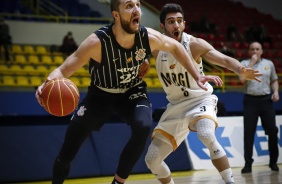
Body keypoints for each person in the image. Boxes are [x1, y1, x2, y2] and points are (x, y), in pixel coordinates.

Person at [35, 1, 222, 184]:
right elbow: (63, 70)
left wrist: (197, 75)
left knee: (142, 126)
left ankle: (118, 181)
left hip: (132, 93)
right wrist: (47, 84)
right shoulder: (97, 42)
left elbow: (176, 46)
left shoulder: (147, 37)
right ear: (116, 15)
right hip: (100, 96)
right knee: (68, 150)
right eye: (129, 6)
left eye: (138, 5)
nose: (136, 10)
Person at [144, 4, 262, 184]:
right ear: (162, 26)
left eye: (179, 21)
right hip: (175, 106)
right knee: (151, 160)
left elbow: (222, 58)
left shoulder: (194, 44)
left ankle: (230, 181)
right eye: (171, 22)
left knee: (206, 134)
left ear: (184, 24)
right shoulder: (155, 46)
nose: (176, 25)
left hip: (200, 99)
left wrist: (240, 69)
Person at [240, 41, 280, 173]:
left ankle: (273, 162)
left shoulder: (269, 64)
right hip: (250, 100)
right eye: (252, 49)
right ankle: (248, 164)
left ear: (262, 51)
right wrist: (251, 63)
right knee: (249, 133)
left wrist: (275, 92)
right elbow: (241, 80)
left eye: (257, 49)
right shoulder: (245, 64)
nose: (255, 52)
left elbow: (274, 80)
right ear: (249, 52)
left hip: (266, 100)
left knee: (272, 131)